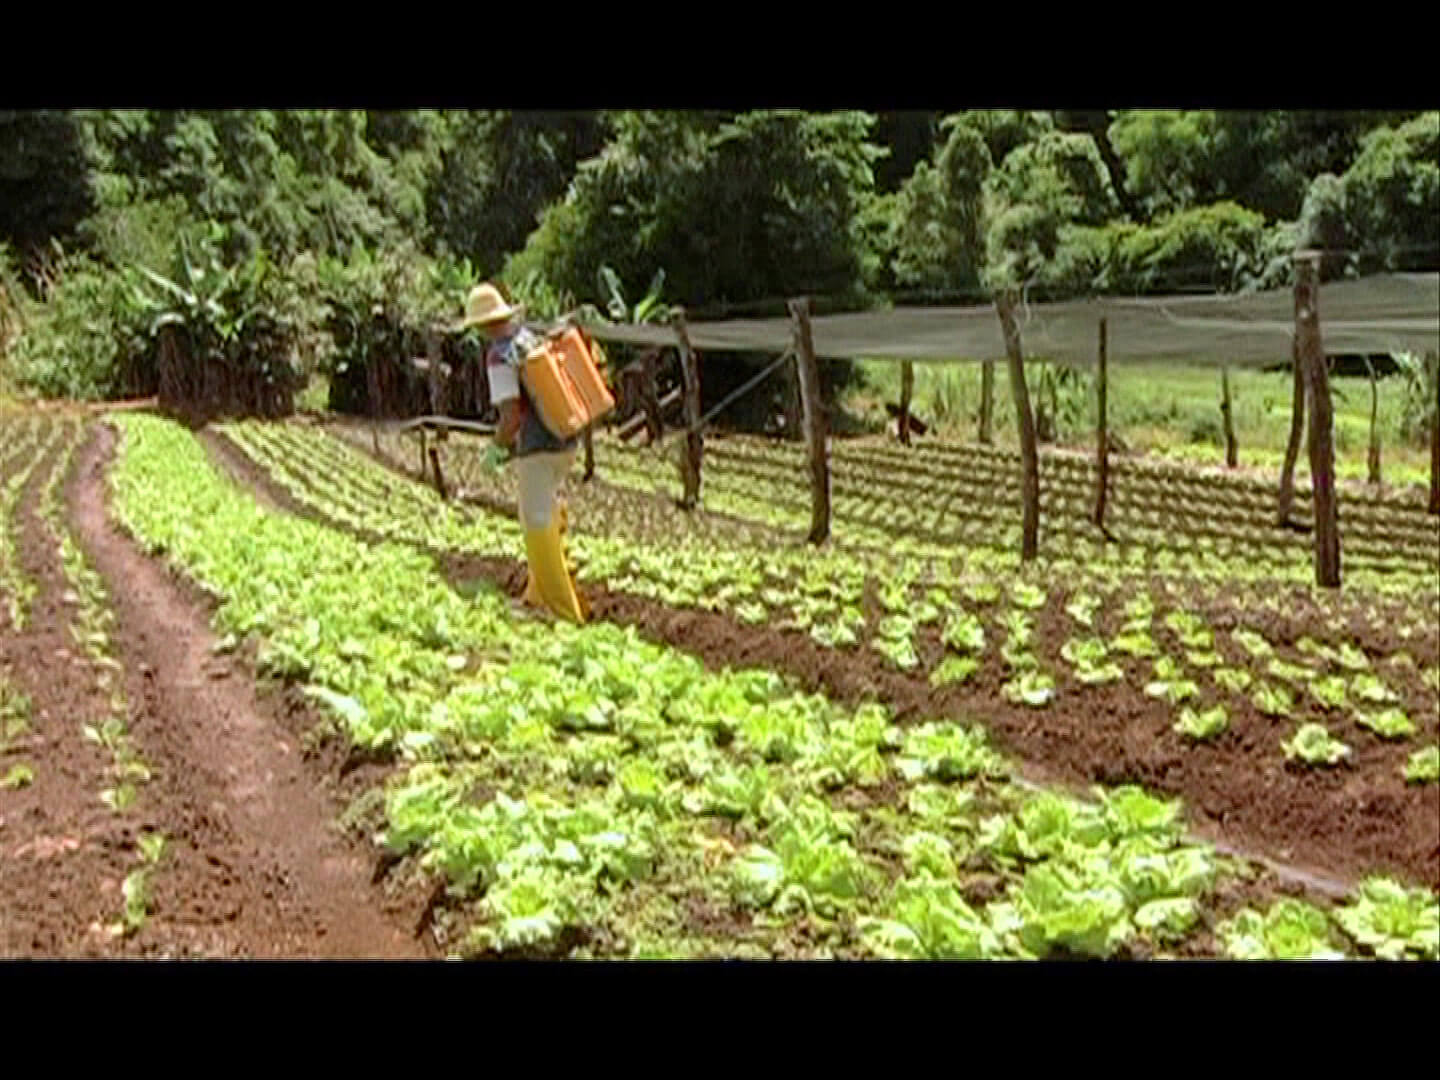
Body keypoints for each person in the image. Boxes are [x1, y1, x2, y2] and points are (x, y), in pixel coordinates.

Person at [460, 283, 588, 623]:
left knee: (535, 523)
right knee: (545, 510)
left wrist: (495, 453)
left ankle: (564, 612)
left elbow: (510, 417)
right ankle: (535, 597)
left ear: (480, 325)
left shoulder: (499, 356)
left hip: (537, 448)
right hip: (566, 439)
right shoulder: (528, 338)